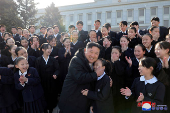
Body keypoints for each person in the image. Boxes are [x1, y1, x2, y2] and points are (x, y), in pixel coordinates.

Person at [59, 42, 104, 113]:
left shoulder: (94, 64)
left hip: (83, 103)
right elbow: (79, 78)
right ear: (85, 50)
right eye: (91, 52)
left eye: (96, 53)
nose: (93, 55)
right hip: (70, 101)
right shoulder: (76, 60)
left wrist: (107, 79)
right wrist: (96, 74)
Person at [35, 43, 59, 113]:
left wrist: (55, 74)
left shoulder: (53, 59)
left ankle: (51, 109)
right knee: (43, 95)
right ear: (43, 49)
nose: (50, 50)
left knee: (52, 95)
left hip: (52, 80)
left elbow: (57, 69)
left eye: (50, 48)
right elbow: (37, 71)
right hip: (42, 81)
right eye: (48, 48)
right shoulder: (38, 60)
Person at [110, 46, 128, 113]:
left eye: (116, 53)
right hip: (111, 89)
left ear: (120, 54)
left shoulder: (123, 63)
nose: (114, 55)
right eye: (112, 53)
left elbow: (120, 72)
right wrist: (112, 63)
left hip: (120, 88)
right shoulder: (108, 63)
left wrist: (116, 62)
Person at [154, 41, 170, 113]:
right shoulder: (154, 62)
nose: (156, 51)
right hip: (158, 93)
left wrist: (167, 68)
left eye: (159, 49)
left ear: (167, 50)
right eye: (155, 49)